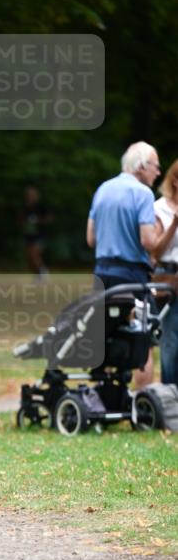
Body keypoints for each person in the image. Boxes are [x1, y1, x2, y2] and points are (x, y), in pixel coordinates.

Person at [86, 141, 178, 388]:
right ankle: (143, 401)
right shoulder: (142, 193)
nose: (158, 173)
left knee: (106, 334)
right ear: (141, 166)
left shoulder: (103, 189)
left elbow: (91, 239)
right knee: (142, 338)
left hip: (102, 273)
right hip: (132, 276)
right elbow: (148, 241)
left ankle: (102, 396)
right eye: (155, 167)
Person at [152, 158, 178, 386]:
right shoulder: (159, 208)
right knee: (171, 341)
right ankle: (171, 395)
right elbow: (156, 251)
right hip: (169, 280)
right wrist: (174, 224)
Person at [19, 185, 52, 280]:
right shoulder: (24, 207)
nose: (30, 196)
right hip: (28, 235)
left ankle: (43, 272)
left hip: (40, 235)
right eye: (29, 195)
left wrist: (38, 220)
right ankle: (37, 274)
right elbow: (20, 220)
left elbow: (49, 218)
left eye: (32, 195)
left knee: (34, 254)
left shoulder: (41, 206)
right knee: (29, 256)